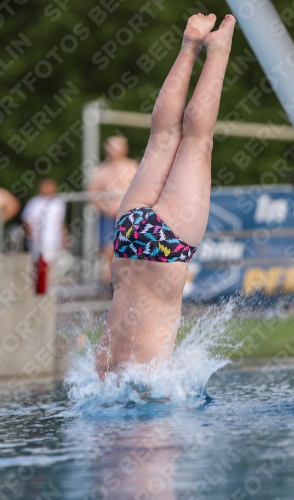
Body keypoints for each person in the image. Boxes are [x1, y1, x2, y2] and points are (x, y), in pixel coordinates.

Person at [95, 13, 236, 379]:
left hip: (165, 247)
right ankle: (190, 44)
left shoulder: (139, 380)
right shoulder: (101, 373)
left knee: (196, 141)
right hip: (128, 237)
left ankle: (218, 51)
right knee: (162, 136)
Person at [87, 136, 138, 279]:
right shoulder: (101, 171)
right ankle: (111, 283)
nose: (113, 151)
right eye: (110, 147)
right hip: (109, 217)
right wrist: (104, 208)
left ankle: (129, 281)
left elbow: (141, 190)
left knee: (130, 249)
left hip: (129, 216)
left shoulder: (131, 167)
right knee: (109, 250)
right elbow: (92, 194)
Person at [22, 178, 66, 263]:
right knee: (40, 264)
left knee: (53, 264)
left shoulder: (58, 203)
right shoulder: (34, 203)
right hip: (38, 240)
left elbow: (60, 221)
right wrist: (32, 237)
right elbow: (27, 221)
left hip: (54, 240)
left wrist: (64, 237)